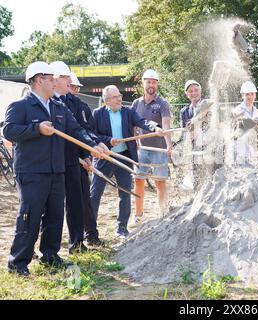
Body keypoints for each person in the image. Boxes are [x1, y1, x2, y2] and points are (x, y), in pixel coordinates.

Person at [4, 61, 105, 275]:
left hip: (57, 170)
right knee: (29, 215)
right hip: (31, 171)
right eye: (51, 79)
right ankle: (18, 262)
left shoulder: (60, 107)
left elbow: (77, 130)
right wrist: (36, 128)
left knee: (55, 215)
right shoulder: (20, 106)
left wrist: (93, 145)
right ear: (39, 80)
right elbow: (10, 131)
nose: (55, 82)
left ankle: (50, 255)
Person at [91, 85, 162, 237]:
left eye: (119, 96)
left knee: (125, 193)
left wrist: (155, 127)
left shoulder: (128, 112)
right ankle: (90, 229)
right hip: (105, 157)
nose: (119, 99)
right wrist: (109, 140)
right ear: (107, 100)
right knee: (95, 193)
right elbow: (93, 135)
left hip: (124, 156)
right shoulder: (97, 114)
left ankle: (121, 227)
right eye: (116, 97)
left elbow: (142, 121)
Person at [50, 61, 101, 254]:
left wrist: (87, 152)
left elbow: (79, 130)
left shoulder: (72, 103)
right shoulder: (47, 102)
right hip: (51, 161)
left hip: (72, 159)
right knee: (50, 206)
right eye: (67, 80)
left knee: (77, 202)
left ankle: (77, 243)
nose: (72, 85)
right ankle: (44, 249)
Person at [132, 69, 172, 218]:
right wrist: (134, 141)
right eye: (148, 82)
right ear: (143, 83)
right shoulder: (136, 103)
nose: (151, 85)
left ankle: (163, 214)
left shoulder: (162, 103)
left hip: (159, 149)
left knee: (160, 182)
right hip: (142, 148)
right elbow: (132, 125)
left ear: (157, 85)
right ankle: (138, 215)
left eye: (154, 82)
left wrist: (169, 145)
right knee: (139, 180)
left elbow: (166, 125)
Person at [230, 80, 258, 165]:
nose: (250, 97)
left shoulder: (255, 111)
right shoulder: (238, 110)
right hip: (238, 149)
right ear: (242, 95)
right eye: (247, 94)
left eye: (252, 94)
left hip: (249, 150)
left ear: (255, 95)